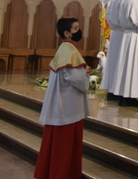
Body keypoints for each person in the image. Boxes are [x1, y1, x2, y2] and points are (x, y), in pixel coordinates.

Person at [34, 17, 90, 179]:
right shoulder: (70, 51)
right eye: (75, 28)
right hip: (67, 105)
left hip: (62, 104)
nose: (79, 31)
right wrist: (86, 74)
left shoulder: (65, 49)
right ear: (67, 33)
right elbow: (74, 77)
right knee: (64, 144)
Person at [100, 0, 127, 101]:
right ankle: (117, 91)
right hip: (122, 33)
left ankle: (111, 89)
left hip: (115, 32)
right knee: (119, 63)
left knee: (112, 62)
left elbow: (108, 16)